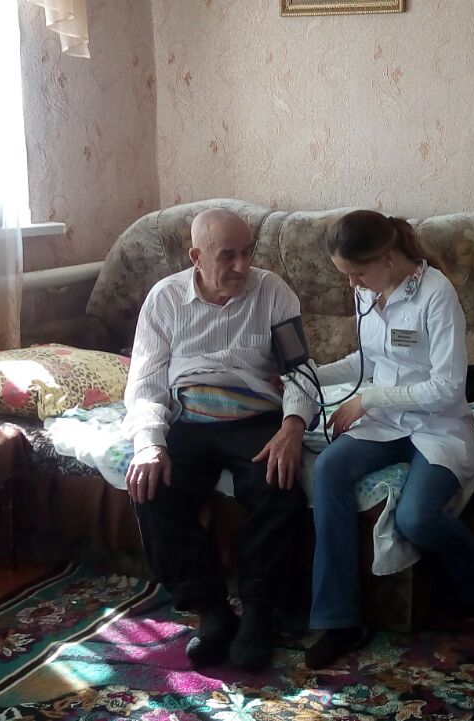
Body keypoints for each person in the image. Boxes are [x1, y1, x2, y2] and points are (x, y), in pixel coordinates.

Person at [122, 207, 315, 672]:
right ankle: (211, 610)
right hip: (189, 416)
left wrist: (293, 426)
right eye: (228, 255)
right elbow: (145, 382)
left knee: (280, 488)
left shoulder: (272, 292)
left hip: (254, 417)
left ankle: (259, 612)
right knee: (152, 489)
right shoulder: (165, 299)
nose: (242, 266)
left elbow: (300, 371)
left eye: (248, 253)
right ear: (196, 256)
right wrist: (150, 442)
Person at [301, 210, 474, 670]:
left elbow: (447, 388)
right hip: (386, 421)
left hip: (437, 425)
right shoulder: (369, 292)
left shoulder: (436, 294)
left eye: (357, 273)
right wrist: (309, 374)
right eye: (346, 275)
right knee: (328, 469)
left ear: (388, 257)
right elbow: (367, 360)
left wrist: (368, 399)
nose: (352, 285)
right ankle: (339, 619)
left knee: (416, 519)